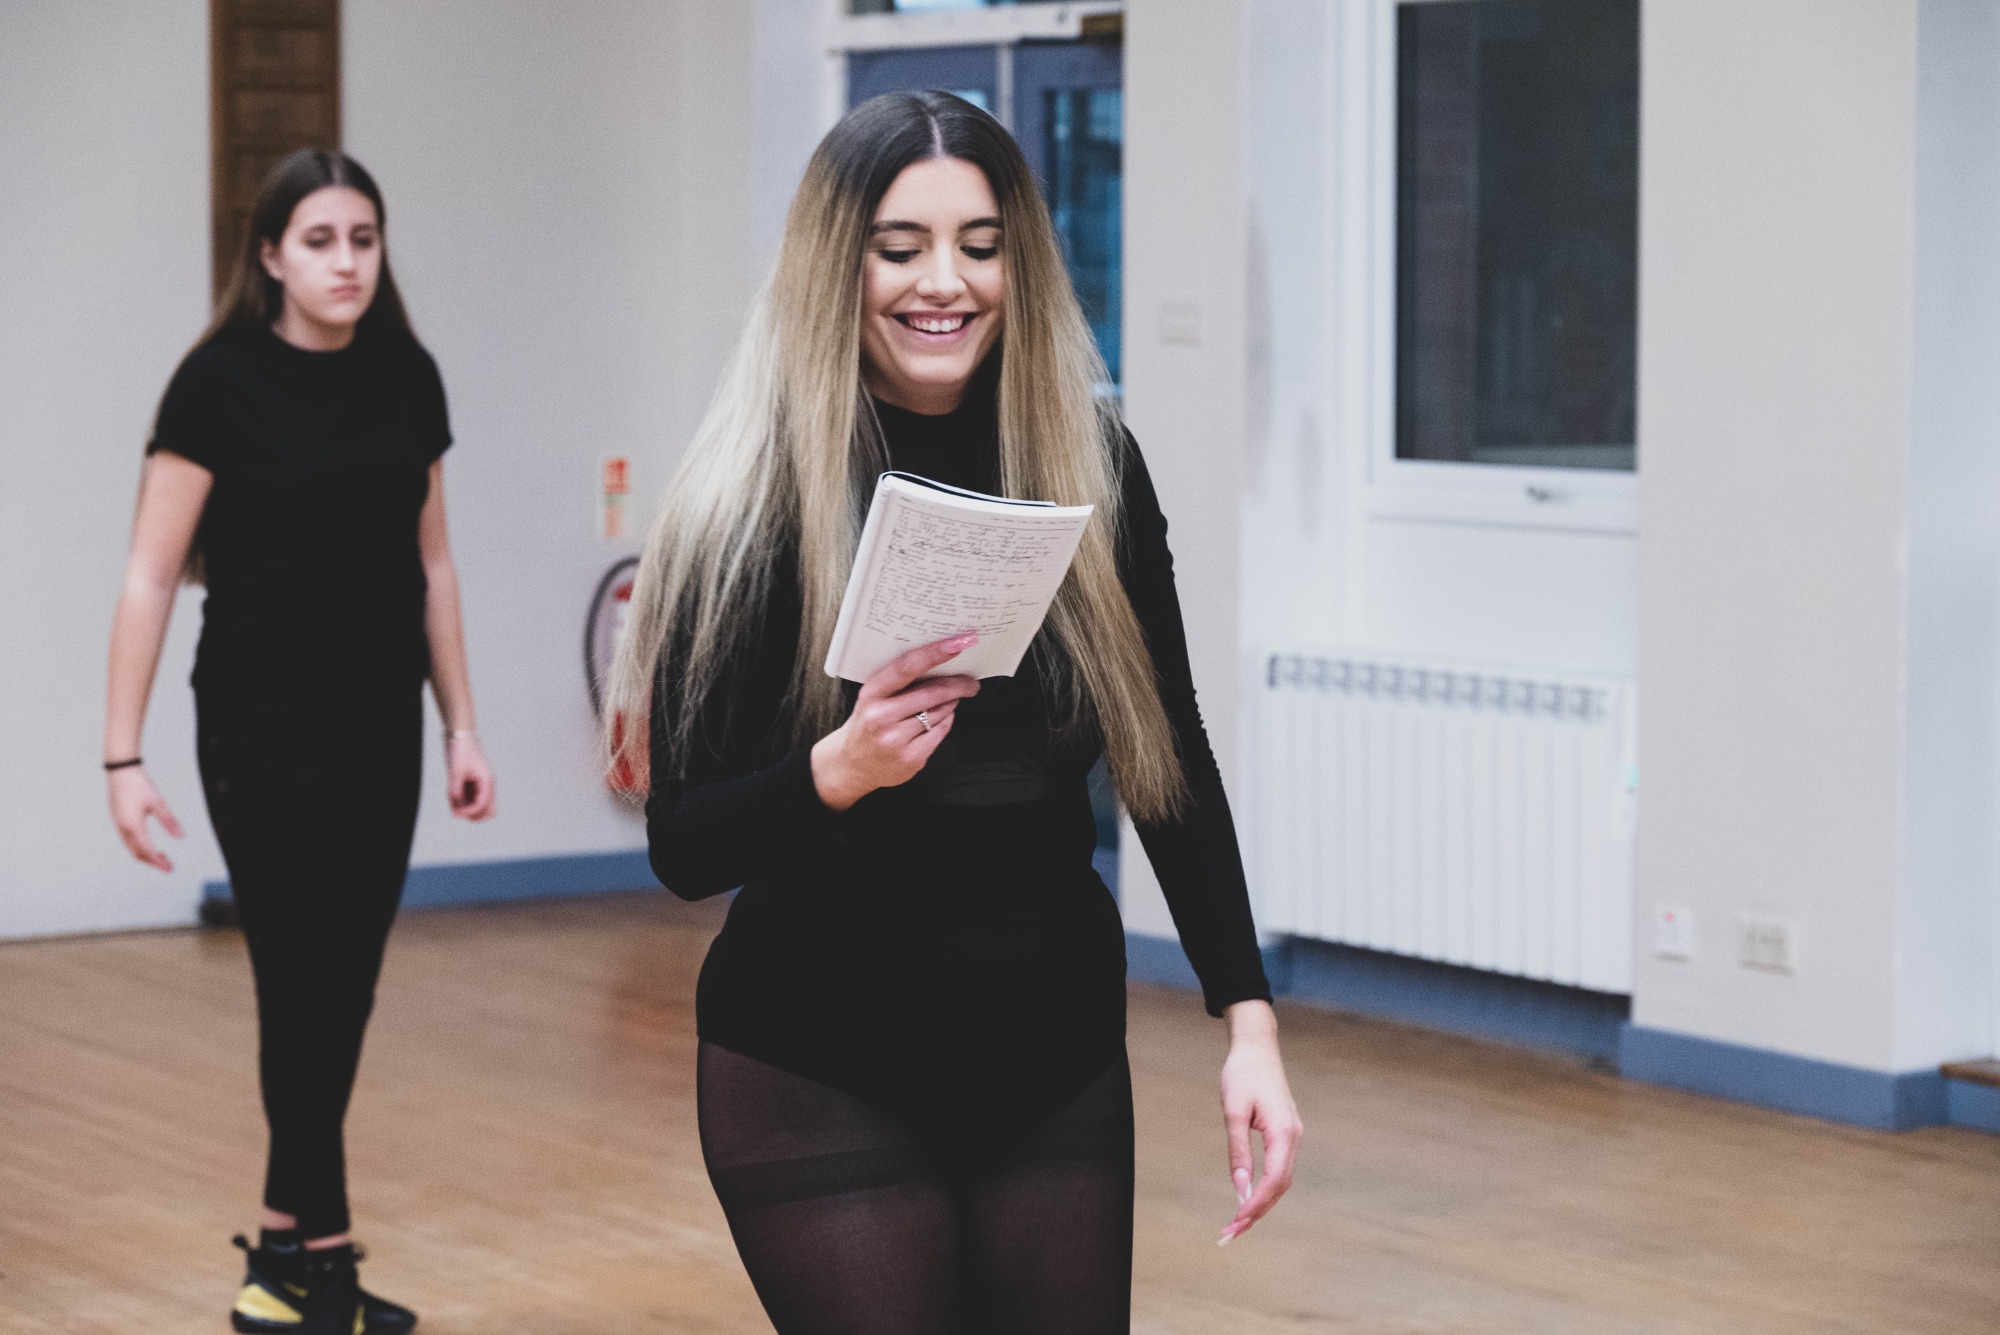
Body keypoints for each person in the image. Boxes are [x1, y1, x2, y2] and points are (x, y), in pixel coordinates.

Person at [607, 91, 1302, 1334]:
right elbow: (683, 845)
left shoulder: (1091, 463)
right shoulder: (748, 499)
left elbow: (1169, 756)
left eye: (980, 246)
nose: (946, 282)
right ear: (837, 264)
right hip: (817, 1061)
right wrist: (838, 768)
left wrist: (1244, 1017)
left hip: (1052, 1052)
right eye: (900, 247)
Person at [103, 148, 494, 1335]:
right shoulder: (215, 384)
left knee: (346, 989)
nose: (346, 262)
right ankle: (316, 1265)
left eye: (362, 239)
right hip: (256, 728)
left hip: (380, 727)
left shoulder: (408, 376)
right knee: (301, 985)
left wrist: (461, 724)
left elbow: (433, 564)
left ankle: (284, 1253)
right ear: (270, 255)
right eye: (320, 240)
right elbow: (149, 575)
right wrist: (122, 758)